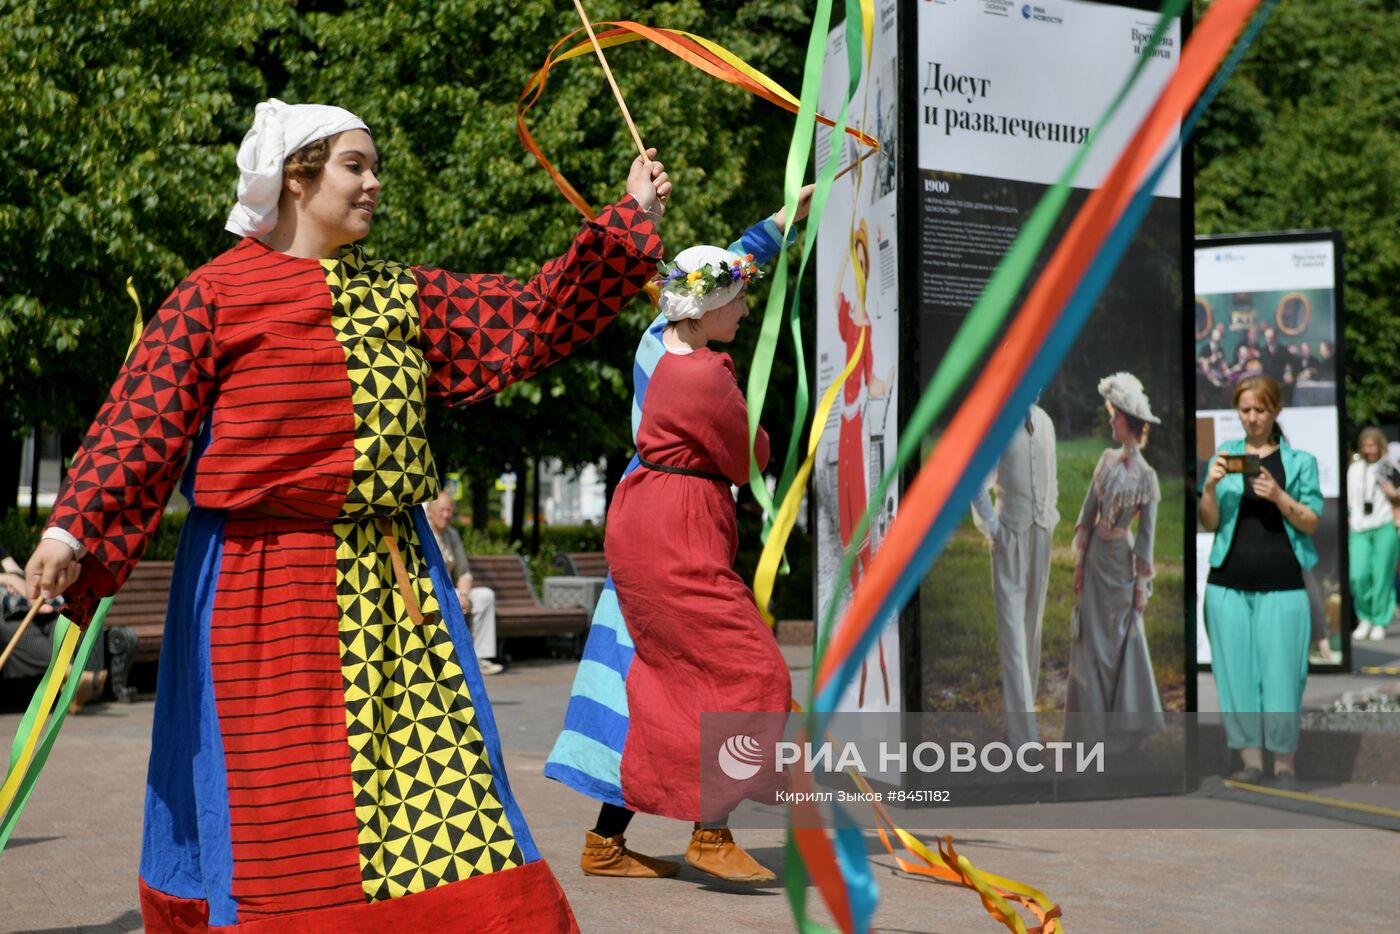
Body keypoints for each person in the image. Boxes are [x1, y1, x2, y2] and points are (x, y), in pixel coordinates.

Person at [24, 98, 668, 931]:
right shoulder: (215, 294)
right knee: (287, 815)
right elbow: (141, 422)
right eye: (354, 166)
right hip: (264, 593)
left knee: (450, 798)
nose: (373, 184)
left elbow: (531, 316)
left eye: (374, 168)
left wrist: (626, 223)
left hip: (397, 596)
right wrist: (67, 530)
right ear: (297, 177)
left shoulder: (401, 292)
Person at [546, 193, 811, 885]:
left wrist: (780, 224)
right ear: (707, 307)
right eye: (739, 301)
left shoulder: (655, 339)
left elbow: (717, 274)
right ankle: (710, 827)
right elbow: (747, 453)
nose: (747, 310)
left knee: (649, 682)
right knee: (735, 675)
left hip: (644, 525)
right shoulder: (704, 371)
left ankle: (610, 842)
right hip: (677, 535)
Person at [1199, 375, 1322, 789]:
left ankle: (1284, 765)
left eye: (1260, 409)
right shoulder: (1224, 455)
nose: (1252, 418)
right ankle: (1250, 760)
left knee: (1283, 677)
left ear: (1275, 411)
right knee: (1235, 675)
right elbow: (1209, 521)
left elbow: (1311, 520)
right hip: (1227, 585)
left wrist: (1277, 496)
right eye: (1245, 409)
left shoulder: (1300, 461)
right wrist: (1211, 487)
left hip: (1284, 585)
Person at [1064, 372, 1164, 746]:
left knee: (1118, 642)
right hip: (1095, 564)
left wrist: (1141, 585)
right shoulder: (1105, 460)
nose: (1110, 421)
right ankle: (1088, 734)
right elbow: (1087, 512)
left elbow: (1147, 540)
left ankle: (1121, 734)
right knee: (1088, 642)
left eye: (1115, 415)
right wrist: (1078, 563)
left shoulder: (1148, 477)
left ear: (1131, 422)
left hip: (1121, 564)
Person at [970, 402, 1058, 749]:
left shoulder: (1046, 421)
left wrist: (1050, 516)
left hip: (1041, 533)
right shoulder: (998, 423)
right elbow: (976, 484)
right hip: (1010, 537)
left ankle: (1023, 723)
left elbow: (1053, 477)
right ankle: (1025, 739)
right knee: (1013, 638)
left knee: (1032, 632)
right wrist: (995, 529)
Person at [833, 218, 896, 706]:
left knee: (863, 522)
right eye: (856, 259)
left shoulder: (868, 324)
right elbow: (837, 284)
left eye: (863, 260)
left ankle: (869, 633)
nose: (858, 267)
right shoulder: (846, 313)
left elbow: (875, 383)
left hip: (858, 426)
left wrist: (891, 374)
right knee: (851, 519)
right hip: (850, 426)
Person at [426, 490, 503, 672]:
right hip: (432, 592)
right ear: (430, 510)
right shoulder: (424, 534)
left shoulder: (452, 534)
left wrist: (463, 594)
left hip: (453, 592)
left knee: (485, 596)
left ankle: (481, 658)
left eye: (450, 511)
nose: (446, 515)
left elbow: (463, 572)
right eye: (442, 510)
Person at [1348, 428, 1400, 641]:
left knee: (1381, 574)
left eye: (1373, 445)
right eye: (1366, 445)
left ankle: (1379, 619)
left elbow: (1398, 493)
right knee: (1357, 574)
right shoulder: (1354, 468)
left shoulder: (1387, 466)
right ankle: (1365, 616)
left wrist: (1391, 493)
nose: (1369, 449)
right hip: (1359, 526)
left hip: (1384, 524)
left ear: (1380, 445)